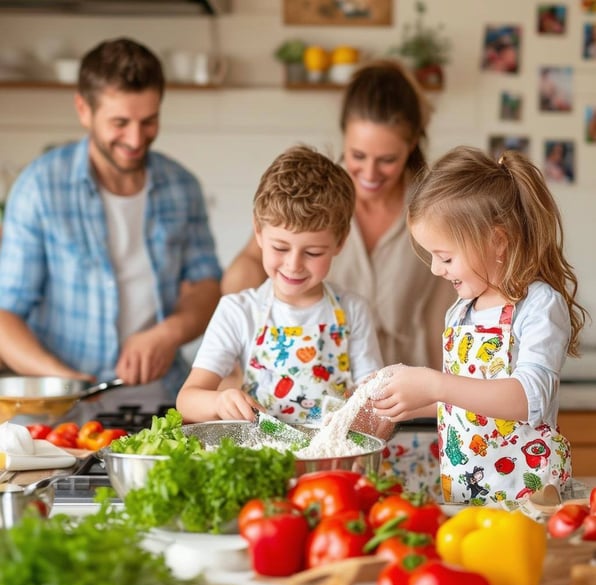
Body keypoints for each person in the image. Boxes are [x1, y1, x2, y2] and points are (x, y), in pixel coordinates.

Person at [221, 59, 454, 494]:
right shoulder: (319, 201)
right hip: (322, 405)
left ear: (412, 146)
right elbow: (243, 270)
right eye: (357, 155)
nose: (368, 173)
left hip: (411, 404)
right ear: (343, 137)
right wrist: (243, 344)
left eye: (387, 159)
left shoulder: (430, 206)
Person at [0, 37, 222, 421]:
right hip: (62, 415)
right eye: (120, 123)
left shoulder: (182, 186)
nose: (136, 140)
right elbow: (6, 314)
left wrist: (167, 334)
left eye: (148, 121)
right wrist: (61, 380)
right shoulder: (39, 187)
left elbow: (207, 286)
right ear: (84, 109)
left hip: (162, 404)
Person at [371, 145, 588, 504]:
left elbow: (528, 398)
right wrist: (403, 402)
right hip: (464, 494)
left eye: (445, 257)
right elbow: (463, 402)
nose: (435, 269)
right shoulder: (460, 311)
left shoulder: (538, 304)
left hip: (527, 499)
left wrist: (433, 384)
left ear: (497, 242)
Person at [177, 145, 383, 425]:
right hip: (260, 462)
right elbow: (187, 400)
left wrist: (366, 418)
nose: (294, 264)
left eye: (313, 253)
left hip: (330, 459)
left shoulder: (353, 310)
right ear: (259, 232)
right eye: (280, 247)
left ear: (340, 241)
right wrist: (219, 400)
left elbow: (372, 399)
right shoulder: (238, 311)